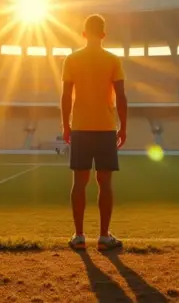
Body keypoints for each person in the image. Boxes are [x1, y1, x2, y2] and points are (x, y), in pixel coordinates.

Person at [61, 14, 128, 251]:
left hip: (80, 126)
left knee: (79, 182)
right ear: (103, 34)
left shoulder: (72, 59)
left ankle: (79, 236)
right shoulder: (112, 60)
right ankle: (104, 237)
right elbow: (120, 95)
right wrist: (124, 127)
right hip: (106, 128)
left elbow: (66, 95)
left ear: (83, 34)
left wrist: (66, 126)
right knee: (105, 183)